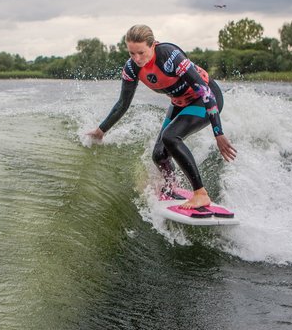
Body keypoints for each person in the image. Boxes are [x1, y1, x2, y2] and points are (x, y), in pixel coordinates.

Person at [87, 24, 237, 210]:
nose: (137, 58)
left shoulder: (169, 56)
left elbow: (205, 90)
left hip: (204, 100)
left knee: (170, 136)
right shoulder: (132, 68)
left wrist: (218, 133)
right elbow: (122, 104)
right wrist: (101, 130)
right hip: (180, 102)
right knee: (159, 155)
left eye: (141, 52)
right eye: (132, 53)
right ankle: (171, 186)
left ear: (152, 45)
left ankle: (200, 193)